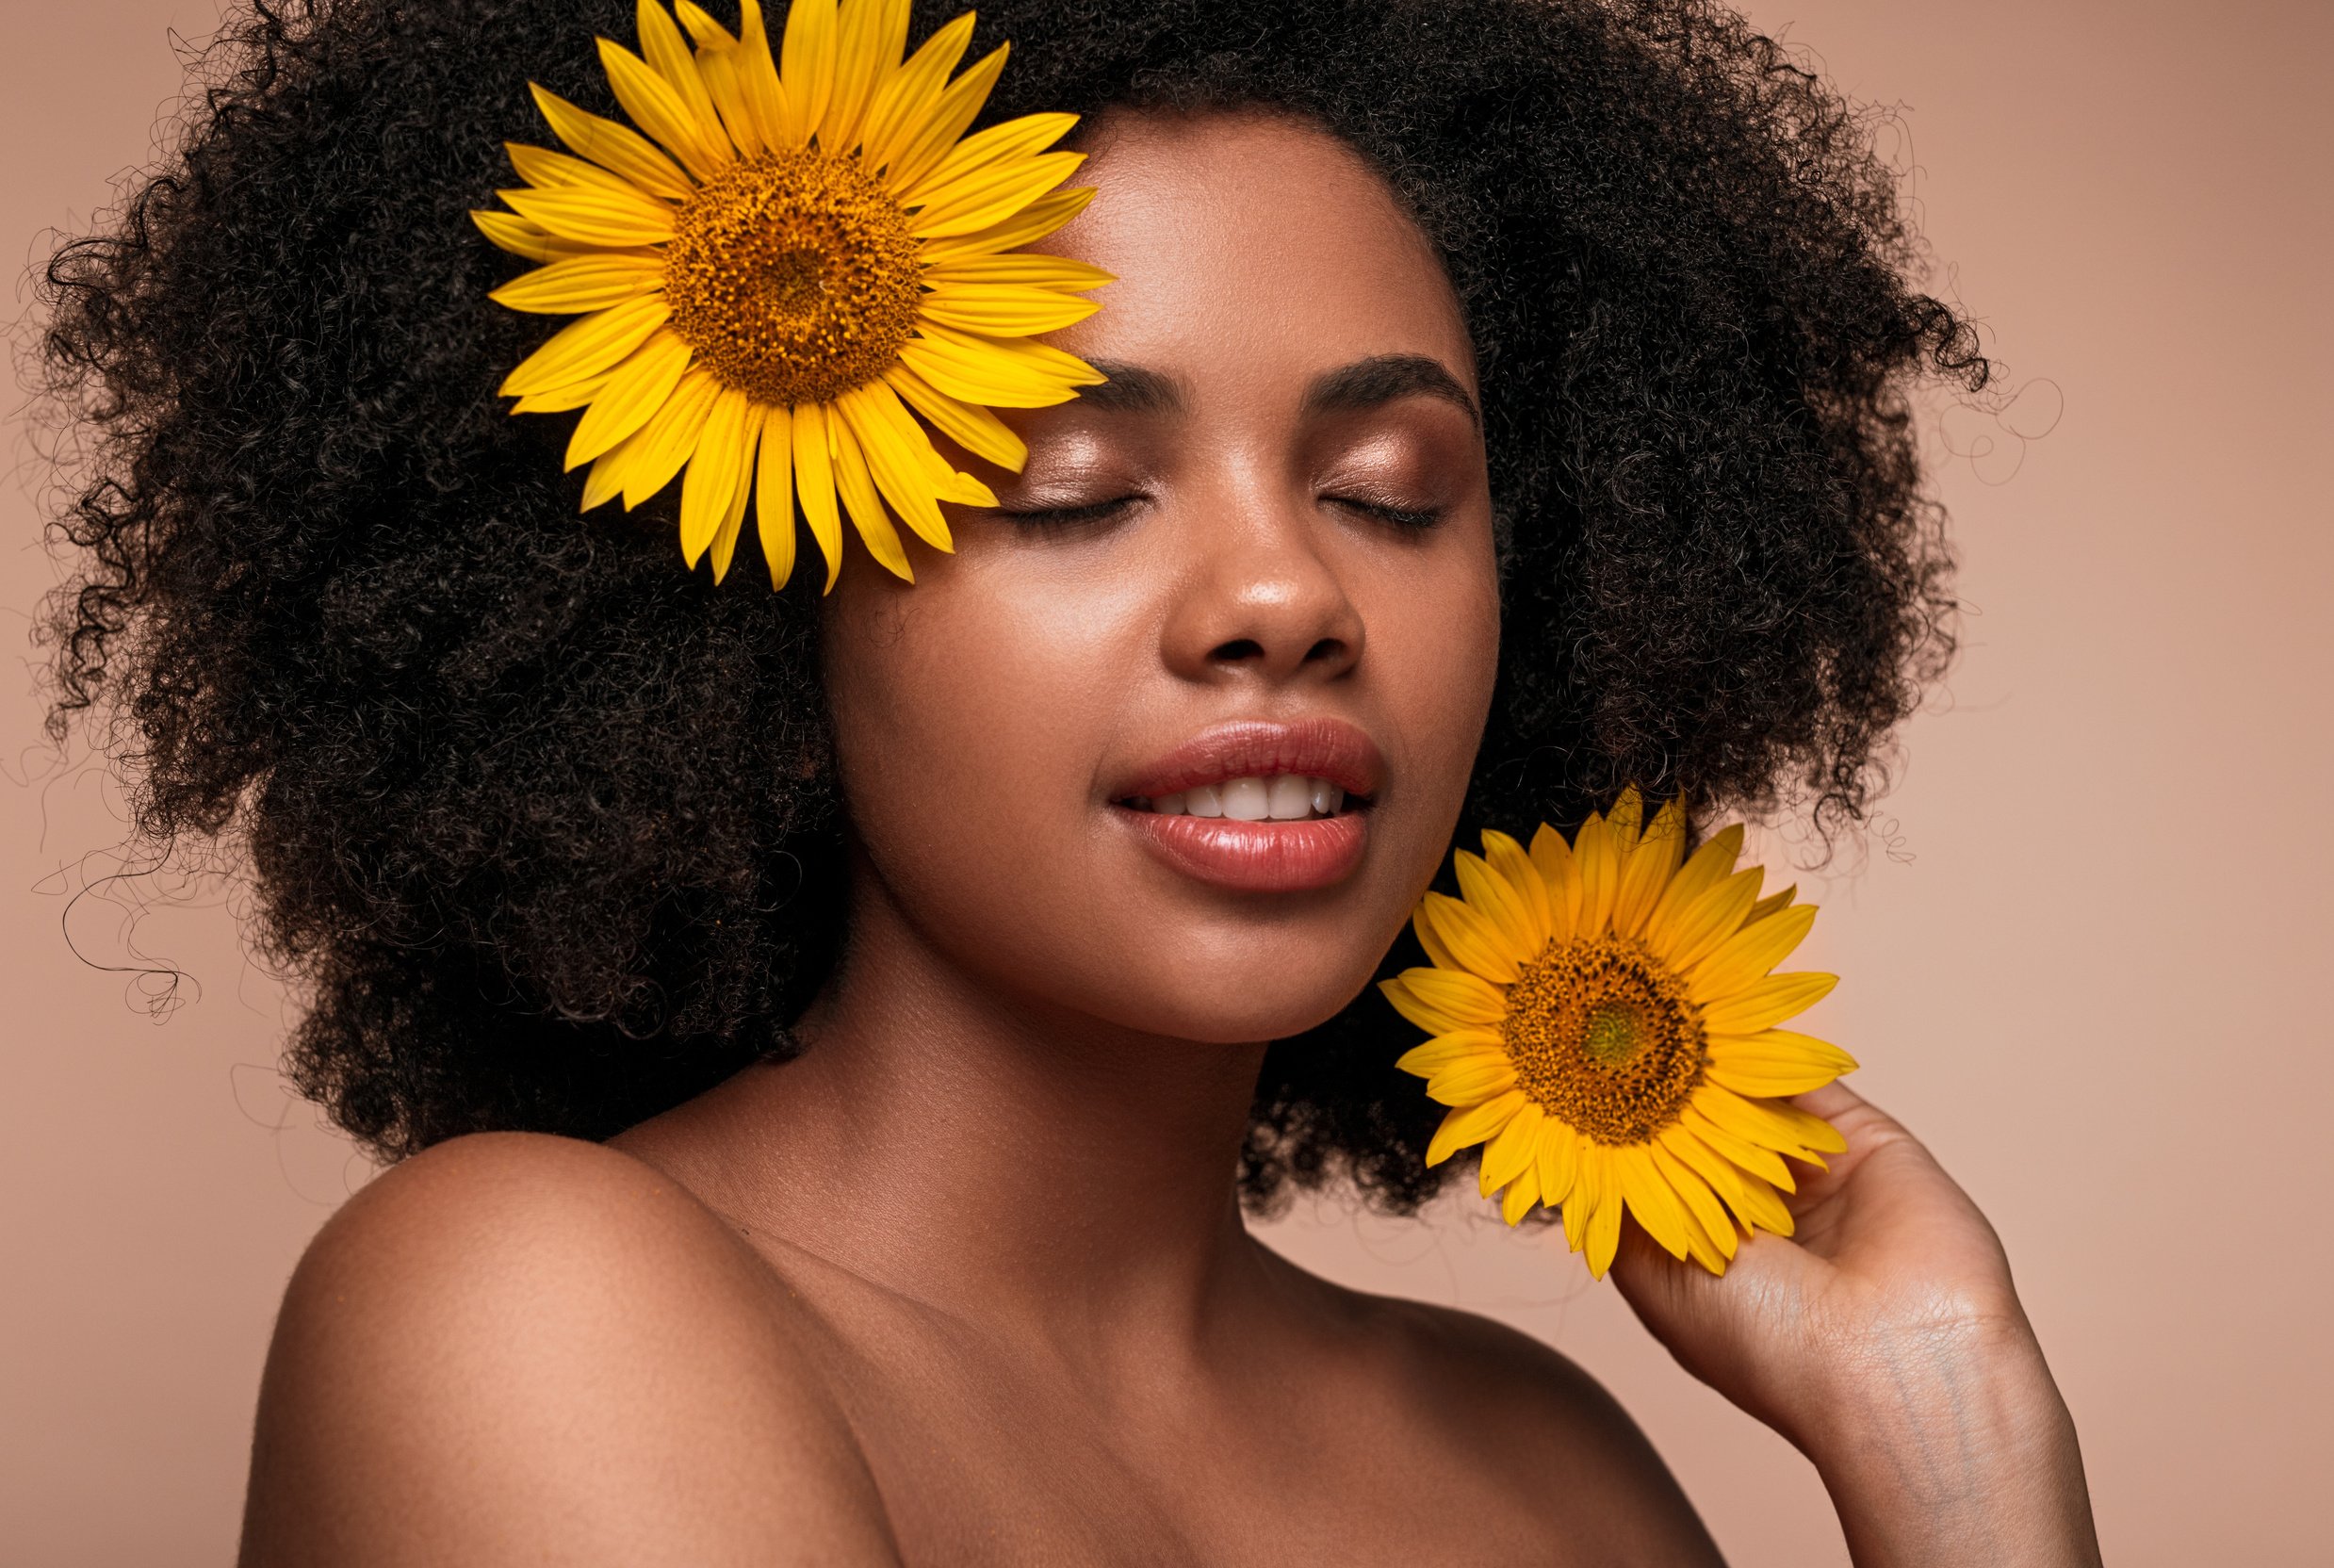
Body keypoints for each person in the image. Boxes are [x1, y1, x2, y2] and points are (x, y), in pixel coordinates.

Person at [37, 0, 2101, 1560]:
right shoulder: (515, 1306)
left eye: (1393, 492)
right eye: (1072, 487)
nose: (1286, 592)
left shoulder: (1552, 1472)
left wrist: (1961, 1465)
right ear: (746, 599)